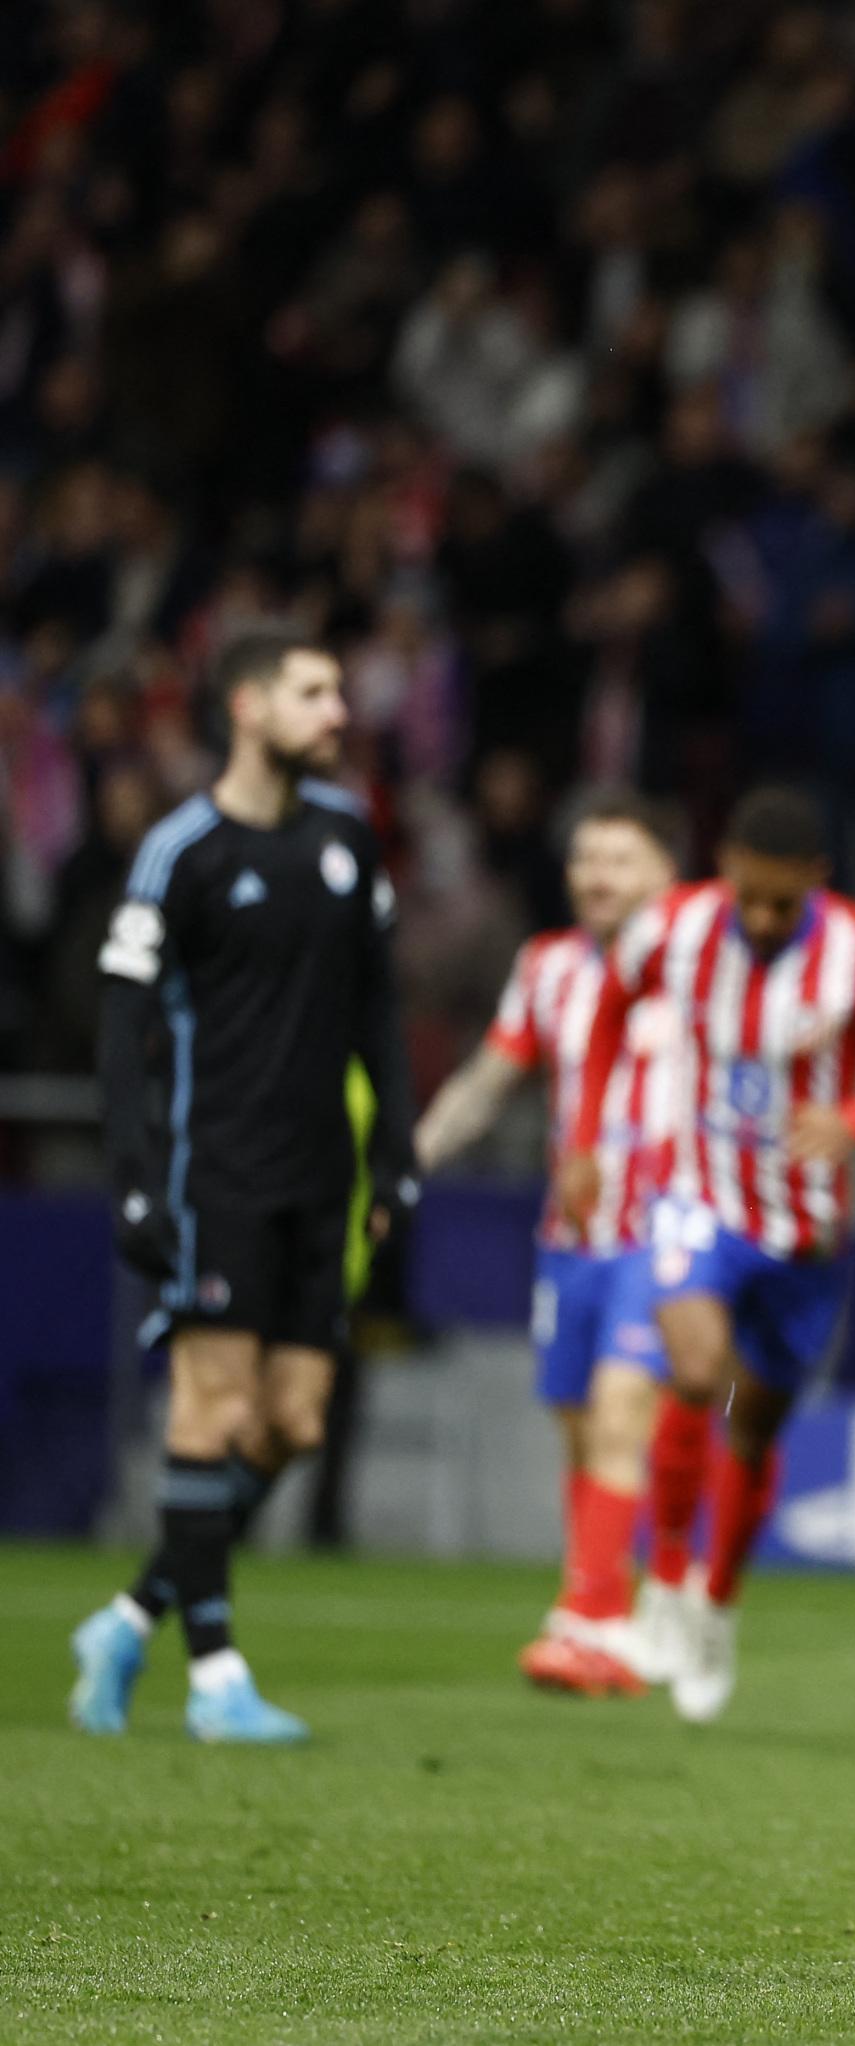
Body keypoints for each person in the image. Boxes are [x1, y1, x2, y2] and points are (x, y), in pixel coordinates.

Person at [69, 630, 419, 1744]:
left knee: (295, 1421)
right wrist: (130, 1177)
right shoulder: (182, 851)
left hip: (324, 1171)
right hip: (211, 1165)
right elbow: (121, 1024)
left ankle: (129, 1617)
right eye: (313, 692)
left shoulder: (349, 834)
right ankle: (214, 1675)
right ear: (248, 705)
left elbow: (377, 1005)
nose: (337, 710)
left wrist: (396, 1148)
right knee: (213, 1407)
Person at [560, 785, 855, 1723]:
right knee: (692, 1368)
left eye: (784, 902)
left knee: (756, 1424)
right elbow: (610, 1010)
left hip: (805, 1232)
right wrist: (584, 1137)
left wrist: (854, 1118)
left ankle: (715, 1603)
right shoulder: (678, 927)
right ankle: (662, 1581)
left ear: (815, 882)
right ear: (726, 872)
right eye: (751, 896)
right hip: (696, 1197)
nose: (766, 918)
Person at [413, 794, 681, 1696]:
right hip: (572, 1240)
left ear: (666, 878)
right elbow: (492, 1077)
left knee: (619, 1413)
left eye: (621, 859)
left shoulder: (702, 971)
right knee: (578, 1429)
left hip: (669, 1234)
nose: (597, 876)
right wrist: (409, 1158)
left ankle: (578, 1618)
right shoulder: (548, 966)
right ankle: (608, 1624)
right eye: (586, 858)